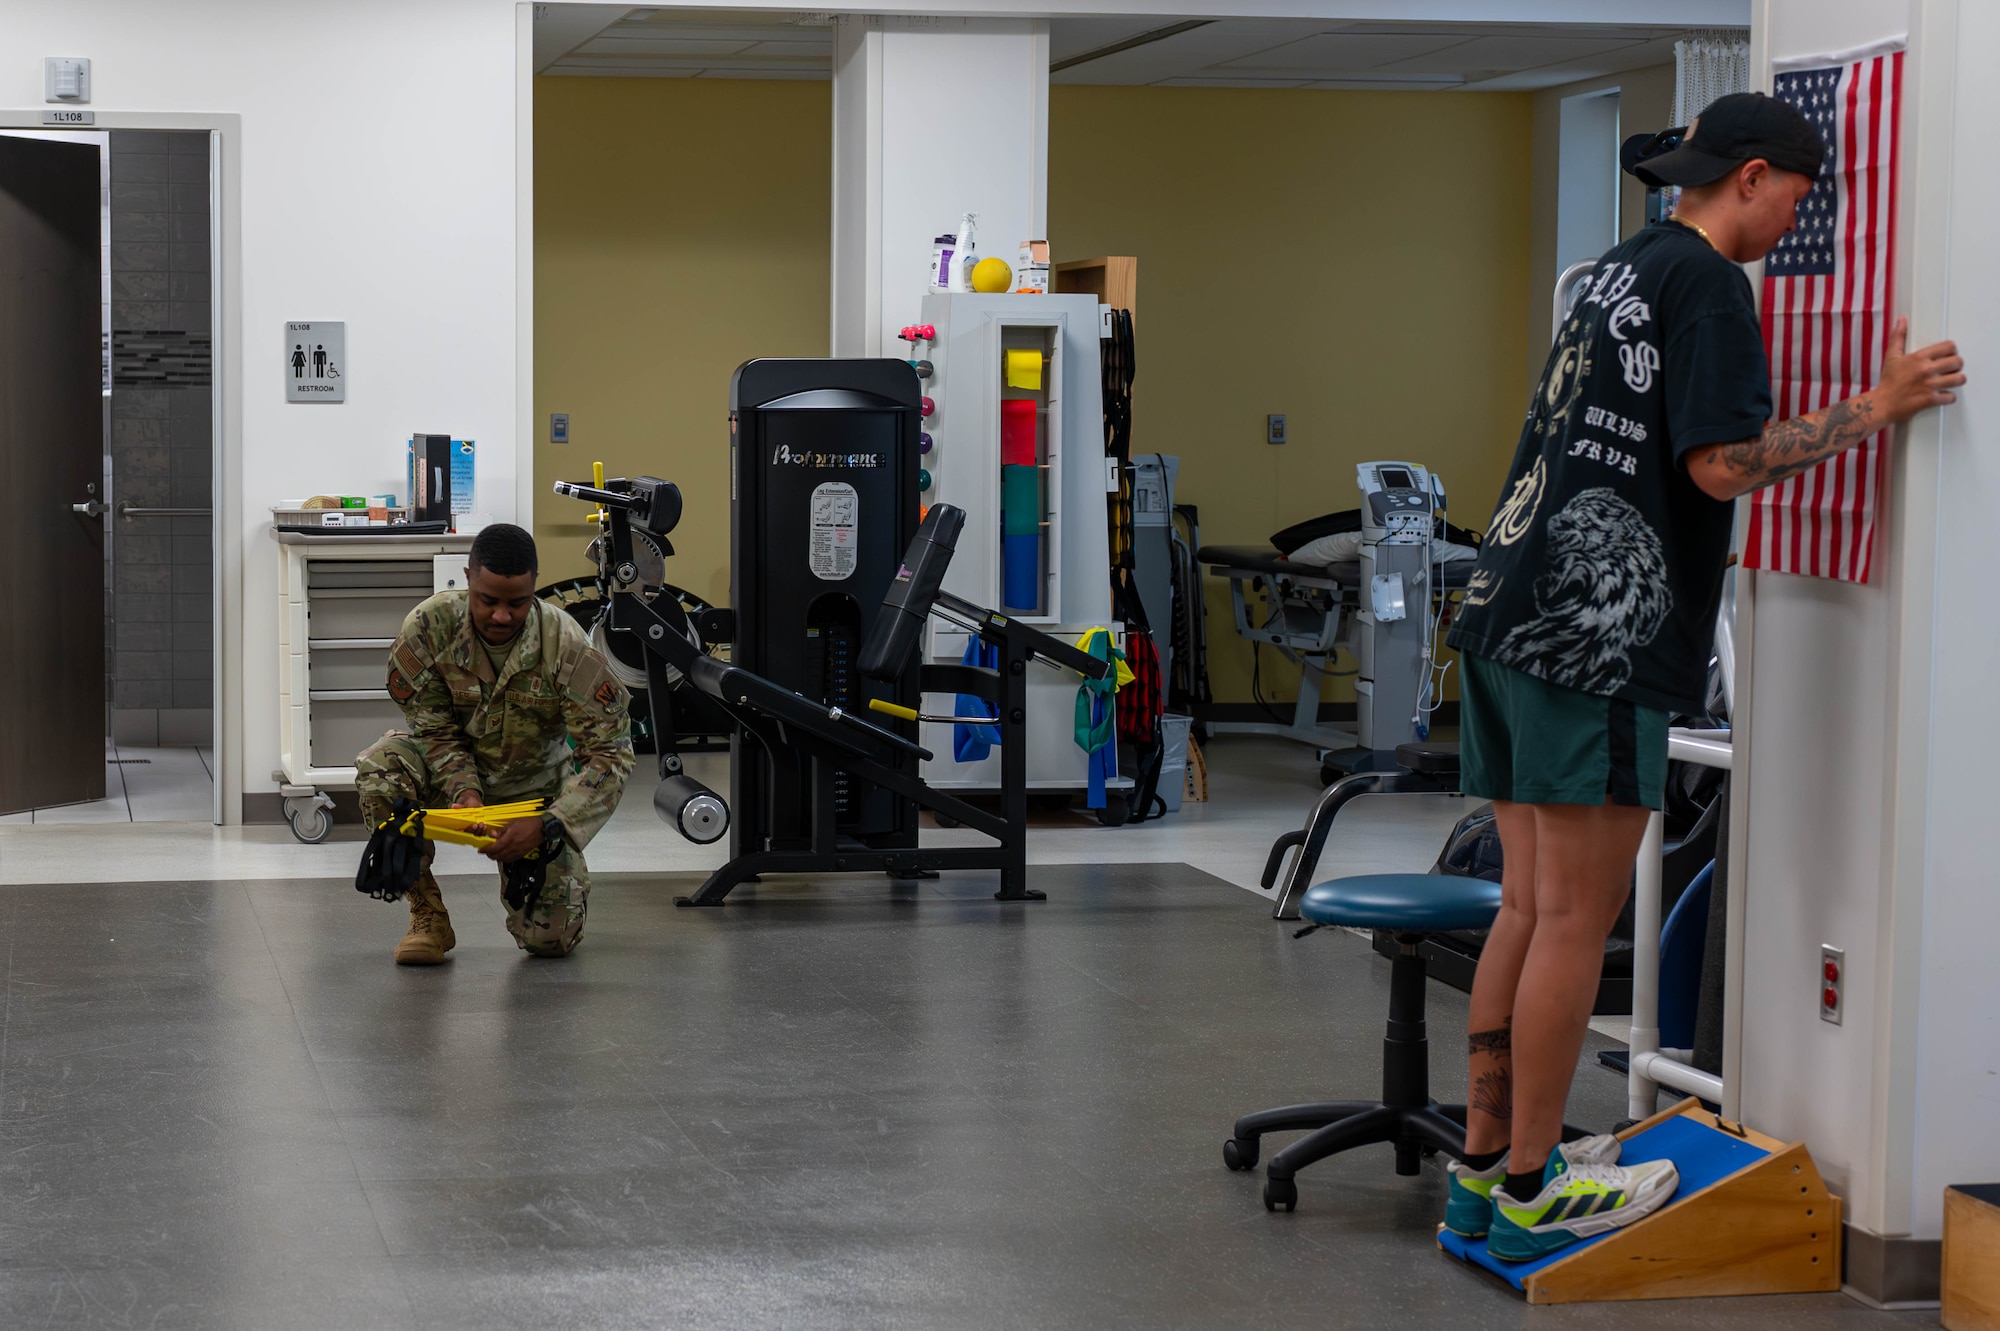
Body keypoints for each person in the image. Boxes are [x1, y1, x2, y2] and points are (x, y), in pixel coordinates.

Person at [1439, 92, 1965, 1261]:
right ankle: (1531, 1185)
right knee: (1575, 916)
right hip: (1596, 640)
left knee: (1525, 908)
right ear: (1752, 177)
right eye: (1793, 193)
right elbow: (1720, 465)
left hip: (1505, 609)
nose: (1793, 215)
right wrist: (1873, 409)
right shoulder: (1710, 285)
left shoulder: (1619, 272)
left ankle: (1479, 1177)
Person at [356, 523, 635, 963]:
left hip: (533, 794)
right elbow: (435, 731)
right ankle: (426, 913)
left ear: (534, 589)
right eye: (488, 601)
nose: (502, 616)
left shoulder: (564, 645)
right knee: (382, 766)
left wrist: (551, 823)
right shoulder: (429, 629)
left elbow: (611, 753)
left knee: (552, 941)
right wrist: (464, 792)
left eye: (517, 603)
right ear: (468, 579)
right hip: (450, 775)